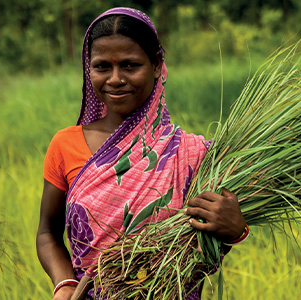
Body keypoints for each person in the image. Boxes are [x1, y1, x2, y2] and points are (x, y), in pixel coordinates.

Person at [36, 7, 247, 300]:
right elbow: (47, 233)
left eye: (130, 65)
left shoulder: (192, 154)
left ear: (157, 65)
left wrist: (236, 230)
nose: (115, 79)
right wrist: (65, 284)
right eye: (101, 67)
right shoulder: (65, 144)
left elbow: (206, 239)